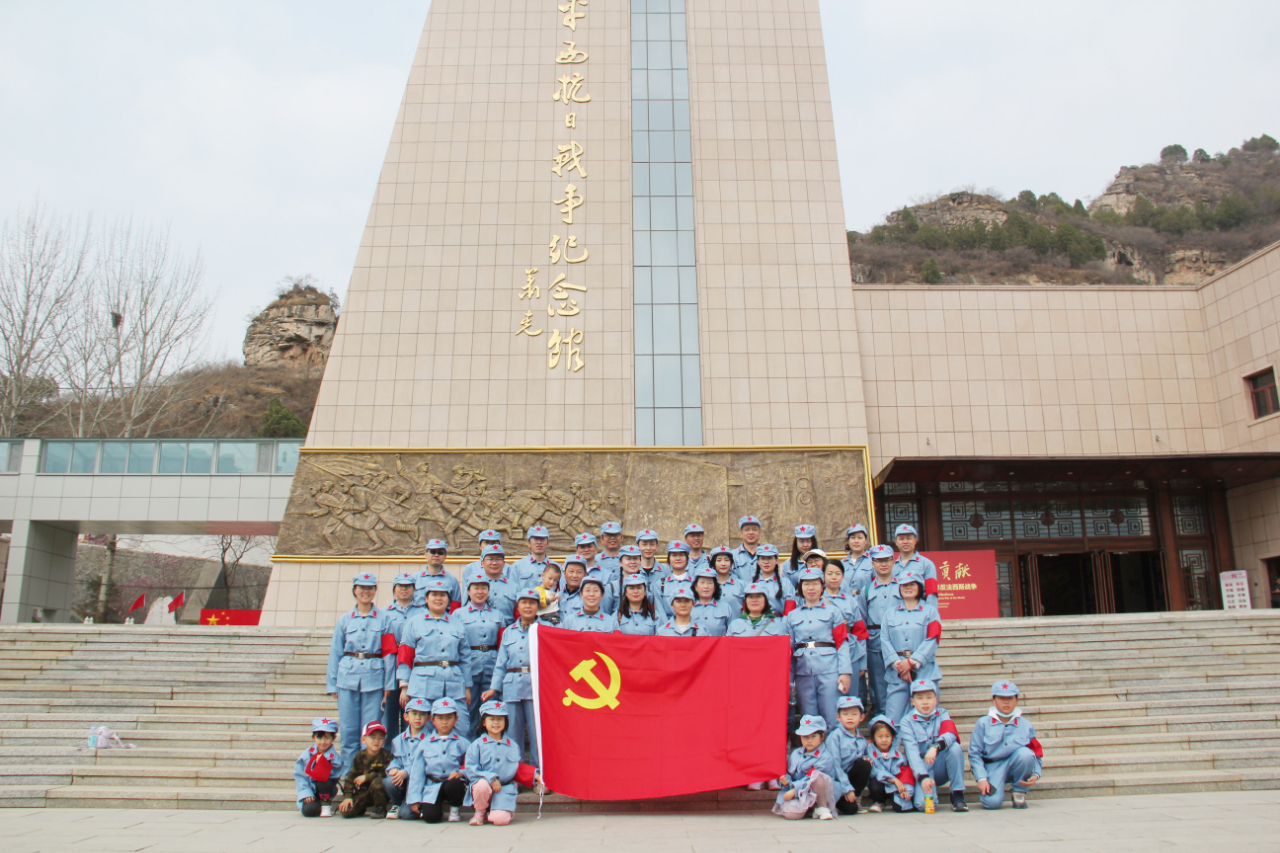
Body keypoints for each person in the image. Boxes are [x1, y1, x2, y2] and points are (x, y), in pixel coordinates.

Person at [327, 572, 398, 770]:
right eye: (362, 588)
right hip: (347, 679)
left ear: (375, 591)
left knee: (370, 732)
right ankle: (349, 778)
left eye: (370, 588)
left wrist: (388, 684)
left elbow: (389, 653)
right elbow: (336, 652)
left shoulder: (385, 619)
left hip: (374, 680)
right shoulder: (344, 620)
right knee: (349, 732)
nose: (366, 592)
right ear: (355, 591)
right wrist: (332, 683)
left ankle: (368, 777)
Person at [397, 576, 473, 736]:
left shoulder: (457, 623)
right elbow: (405, 654)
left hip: (453, 684)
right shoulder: (414, 622)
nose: (439, 598)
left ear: (448, 599)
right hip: (423, 686)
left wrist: (466, 686)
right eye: (434, 595)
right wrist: (404, 686)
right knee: (422, 731)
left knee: (461, 729)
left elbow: (465, 658)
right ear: (426, 598)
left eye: (443, 595)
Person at [783, 566, 853, 731]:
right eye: (806, 584)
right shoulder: (792, 616)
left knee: (832, 717)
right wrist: (789, 680)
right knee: (809, 719)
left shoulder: (833, 612)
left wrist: (844, 672)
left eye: (815, 584)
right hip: (803, 672)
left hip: (830, 670)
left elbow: (842, 643)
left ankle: (834, 754)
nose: (811, 588)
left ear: (822, 586)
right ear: (800, 588)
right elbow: (789, 650)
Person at [483, 588, 541, 765]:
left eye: (532, 603)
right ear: (517, 606)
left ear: (538, 606)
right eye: (524, 602)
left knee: (536, 733)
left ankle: (538, 774)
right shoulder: (509, 632)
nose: (528, 606)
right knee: (513, 733)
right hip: (512, 686)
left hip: (535, 687)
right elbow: (501, 663)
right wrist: (493, 688)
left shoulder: (544, 630)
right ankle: (517, 773)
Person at [463, 700, 540, 826]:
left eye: (500, 719)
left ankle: (500, 810)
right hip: (484, 787)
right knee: (481, 785)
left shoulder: (512, 746)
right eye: (491, 719)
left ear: (505, 722)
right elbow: (470, 769)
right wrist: (491, 778)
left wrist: (534, 775)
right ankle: (480, 812)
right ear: (484, 722)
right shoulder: (476, 745)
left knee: (500, 820)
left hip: (503, 789)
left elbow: (516, 768)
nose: (496, 723)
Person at [969, 680, 1043, 810]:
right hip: (992, 767)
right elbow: (974, 754)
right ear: (993, 700)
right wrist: (981, 778)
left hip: (1016, 763)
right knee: (991, 803)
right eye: (1002, 698)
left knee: (1025, 754)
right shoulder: (983, 723)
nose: (1006, 702)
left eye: (1010, 698)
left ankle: (1019, 792)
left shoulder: (1026, 725)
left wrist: (1036, 773)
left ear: (1017, 700)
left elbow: (1036, 752)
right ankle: (995, 789)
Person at [880, 570, 942, 724]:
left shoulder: (930, 612)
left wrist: (912, 662)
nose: (908, 587)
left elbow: (933, 638)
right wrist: (899, 665)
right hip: (897, 671)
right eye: (904, 585)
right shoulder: (890, 614)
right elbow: (885, 641)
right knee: (893, 719)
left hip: (924, 671)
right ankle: (893, 748)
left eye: (912, 584)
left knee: (927, 717)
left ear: (919, 587)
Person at [899, 678, 968, 812]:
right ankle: (920, 789)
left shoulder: (942, 714)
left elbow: (951, 734)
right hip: (922, 768)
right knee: (923, 806)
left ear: (936, 700)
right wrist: (923, 776)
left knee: (955, 748)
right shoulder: (906, 722)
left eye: (929, 697)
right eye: (920, 698)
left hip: (940, 765)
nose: (925, 702)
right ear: (913, 702)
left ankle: (957, 794)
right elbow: (912, 752)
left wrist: (936, 747)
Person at [407, 698, 470, 823]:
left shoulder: (463, 743)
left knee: (456, 784)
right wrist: (415, 799)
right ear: (433, 720)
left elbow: (471, 764)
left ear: (456, 719)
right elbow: (417, 772)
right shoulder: (425, 744)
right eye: (440, 718)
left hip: (453, 784)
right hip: (432, 786)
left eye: (449, 718)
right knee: (430, 818)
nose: (444, 722)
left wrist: (461, 773)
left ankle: (455, 809)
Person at [456, 577, 504, 736]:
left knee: (490, 710)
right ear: (468, 591)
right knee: (468, 710)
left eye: (483, 588)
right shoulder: (458, 614)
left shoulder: (498, 615)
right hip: (469, 665)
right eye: (475, 588)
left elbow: (502, 643)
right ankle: (469, 749)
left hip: (491, 665)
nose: (480, 592)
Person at [772, 714, 840, 820]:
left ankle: (821, 807)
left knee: (818, 777)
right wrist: (785, 782)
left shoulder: (825, 756)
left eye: (813, 736)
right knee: (791, 814)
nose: (809, 741)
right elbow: (789, 774)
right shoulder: (795, 754)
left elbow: (812, 778)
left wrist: (794, 791)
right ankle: (808, 809)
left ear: (822, 737)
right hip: (800, 793)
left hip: (819, 792)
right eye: (805, 737)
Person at [862, 544, 902, 718]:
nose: (883, 564)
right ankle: (881, 723)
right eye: (878, 561)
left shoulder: (903, 586)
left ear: (894, 561)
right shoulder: (867, 590)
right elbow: (861, 621)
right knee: (878, 687)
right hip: (875, 643)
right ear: (872, 563)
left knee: (900, 684)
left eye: (886, 560)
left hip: (898, 642)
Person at [822, 559, 869, 698]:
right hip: (826, 654)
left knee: (850, 696)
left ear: (843, 576)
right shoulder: (817, 600)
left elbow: (859, 632)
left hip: (851, 653)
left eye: (837, 573)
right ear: (823, 576)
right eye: (830, 573)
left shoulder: (851, 601)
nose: (834, 577)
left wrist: (862, 662)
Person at [383, 572, 419, 740]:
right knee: (388, 719)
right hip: (390, 671)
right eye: (400, 586)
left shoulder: (423, 612)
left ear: (414, 589)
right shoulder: (383, 614)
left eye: (408, 586)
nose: (404, 589)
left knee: (411, 718)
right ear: (394, 589)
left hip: (414, 670)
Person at [384, 697, 431, 819]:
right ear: (406, 717)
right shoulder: (398, 740)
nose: (417, 718)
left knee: (407, 815)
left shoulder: (431, 740)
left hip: (420, 783)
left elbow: (428, 764)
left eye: (422, 714)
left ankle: (411, 805)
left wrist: (406, 772)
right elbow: (396, 759)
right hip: (403, 781)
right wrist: (394, 768)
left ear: (429, 718)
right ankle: (397, 804)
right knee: (390, 780)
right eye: (414, 714)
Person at [338, 721, 394, 819]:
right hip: (363, 792)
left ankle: (380, 808)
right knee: (346, 812)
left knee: (378, 781)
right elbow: (351, 777)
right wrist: (348, 796)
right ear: (363, 739)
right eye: (372, 737)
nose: (376, 741)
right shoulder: (360, 756)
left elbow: (386, 775)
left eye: (380, 737)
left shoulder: (387, 756)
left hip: (380, 793)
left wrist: (367, 777)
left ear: (384, 741)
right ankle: (361, 808)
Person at [829, 696, 872, 816]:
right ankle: (838, 799)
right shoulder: (835, 737)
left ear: (861, 717)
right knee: (850, 810)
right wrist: (846, 788)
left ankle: (855, 798)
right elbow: (835, 766)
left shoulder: (862, 740)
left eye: (854, 714)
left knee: (865, 764)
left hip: (850, 779)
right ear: (838, 717)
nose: (849, 717)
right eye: (845, 714)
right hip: (836, 782)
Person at [296, 716, 342, 817]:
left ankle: (325, 805)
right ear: (313, 737)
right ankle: (316, 804)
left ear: (333, 738)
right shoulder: (306, 755)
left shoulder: (334, 758)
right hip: (310, 789)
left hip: (326, 788)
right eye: (319, 737)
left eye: (327, 737)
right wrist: (306, 792)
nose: (323, 742)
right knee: (310, 811)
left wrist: (323, 765)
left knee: (324, 781)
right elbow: (300, 775)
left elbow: (336, 776)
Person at [867, 715, 914, 812]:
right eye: (880, 737)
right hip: (882, 783)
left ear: (892, 738)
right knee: (875, 784)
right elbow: (875, 772)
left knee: (901, 808)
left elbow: (905, 774)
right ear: (874, 738)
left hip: (895, 787)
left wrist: (905, 790)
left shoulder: (898, 756)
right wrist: (894, 780)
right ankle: (879, 802)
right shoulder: (870, 752)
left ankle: (898, 800)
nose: (884, 740)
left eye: (888, 736)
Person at [467, 543, 518, 623]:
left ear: (504, 563)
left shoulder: (514, 587)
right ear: (482, 563)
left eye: (498, 559)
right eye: (490, 559)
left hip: (507, 630)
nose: (494, 563)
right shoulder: (473, 585)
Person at [893, 524, 938, 607]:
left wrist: (931, 615)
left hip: (919, 613)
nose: (905, 541)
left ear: (915, 540)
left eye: (909, 538)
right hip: (897, 614)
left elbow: (931, 594)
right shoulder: (892, 566)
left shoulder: (927, 564)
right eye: (901, 539)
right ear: (896, 542)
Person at [415, 539, 462, 611]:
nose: (436, 555)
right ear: (425, 554)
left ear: (445, 556)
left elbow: (456, 607)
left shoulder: (452, 580)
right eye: (432, 552)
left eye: (440, 553)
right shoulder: (415, 579)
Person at [750, 543, 794, 614]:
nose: (766, 562)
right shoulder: (751, 583)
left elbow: (790, 610)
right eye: (763, 559)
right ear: (758, 562)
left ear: (776, 561)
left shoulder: (785, 583)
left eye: (770, 558)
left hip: (780, 622)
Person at [656, 540, 695, 615]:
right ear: (669, 558)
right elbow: (660, 612)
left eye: (681, 555)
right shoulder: (660, 585)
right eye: (674, 555)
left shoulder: (696, 583)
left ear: (687, 558)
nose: (678, 558)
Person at [690, 566, 731, 636]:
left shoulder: (725, 607)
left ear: (715, 587)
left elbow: (732, 631)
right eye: (702, 582)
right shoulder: (689, 607)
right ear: (696, 587)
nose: (706, 586)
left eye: (710, 583)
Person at [709, 545, 746, 613]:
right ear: (713, 563)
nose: (723, 564)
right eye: (719, 560)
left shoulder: (741, 585)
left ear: (731, 562)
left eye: (726, 560)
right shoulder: (708, 585)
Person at [841, 525, 873, 594]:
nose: (856, 541)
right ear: (848, 541)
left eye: (860, 538)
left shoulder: (873, 561)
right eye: (853, 538)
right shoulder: (842, 563)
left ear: (866, 541)